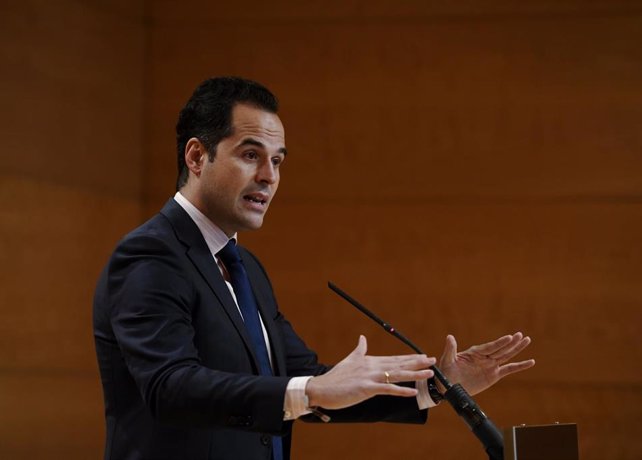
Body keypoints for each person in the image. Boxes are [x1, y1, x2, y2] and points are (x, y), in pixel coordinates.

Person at [93, 76, 535, 460]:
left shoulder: (245, 266)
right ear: (196, 157)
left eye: (278, 160)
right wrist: (307, 392)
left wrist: (437, 387)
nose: (269, 176)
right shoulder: (151, 255)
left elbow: (307, 381)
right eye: (251, 155)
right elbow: (171, 387)